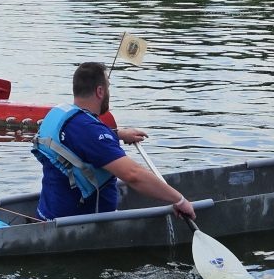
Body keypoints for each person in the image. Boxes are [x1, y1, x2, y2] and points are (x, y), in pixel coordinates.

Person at [33, 61, 197, 221]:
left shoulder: (62, 115)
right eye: (108, 87)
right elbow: (133, 175)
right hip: (79, 227)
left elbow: (79, 143)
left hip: (47, 215)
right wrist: (179, 200)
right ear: (100, 91)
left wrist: (117, 134)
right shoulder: (91, 131)